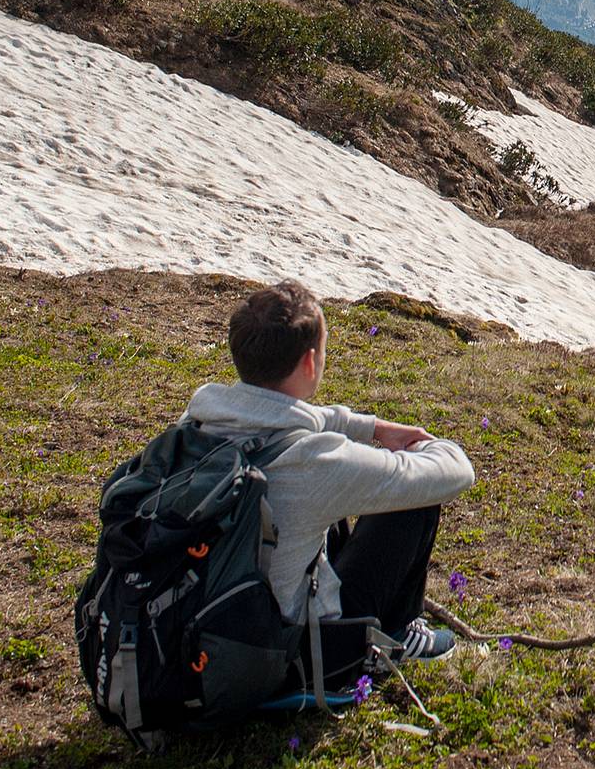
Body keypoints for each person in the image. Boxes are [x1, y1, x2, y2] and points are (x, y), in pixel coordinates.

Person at [182, 279, 475, 661]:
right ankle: (394, 633)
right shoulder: (313, 461)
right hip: (287, 648)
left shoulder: (195, 421)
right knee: (413, 501)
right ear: (309, 363)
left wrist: (371, 428)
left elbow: (280, 415)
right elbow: (455, 473)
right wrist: (426, 445)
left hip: (199, 622)